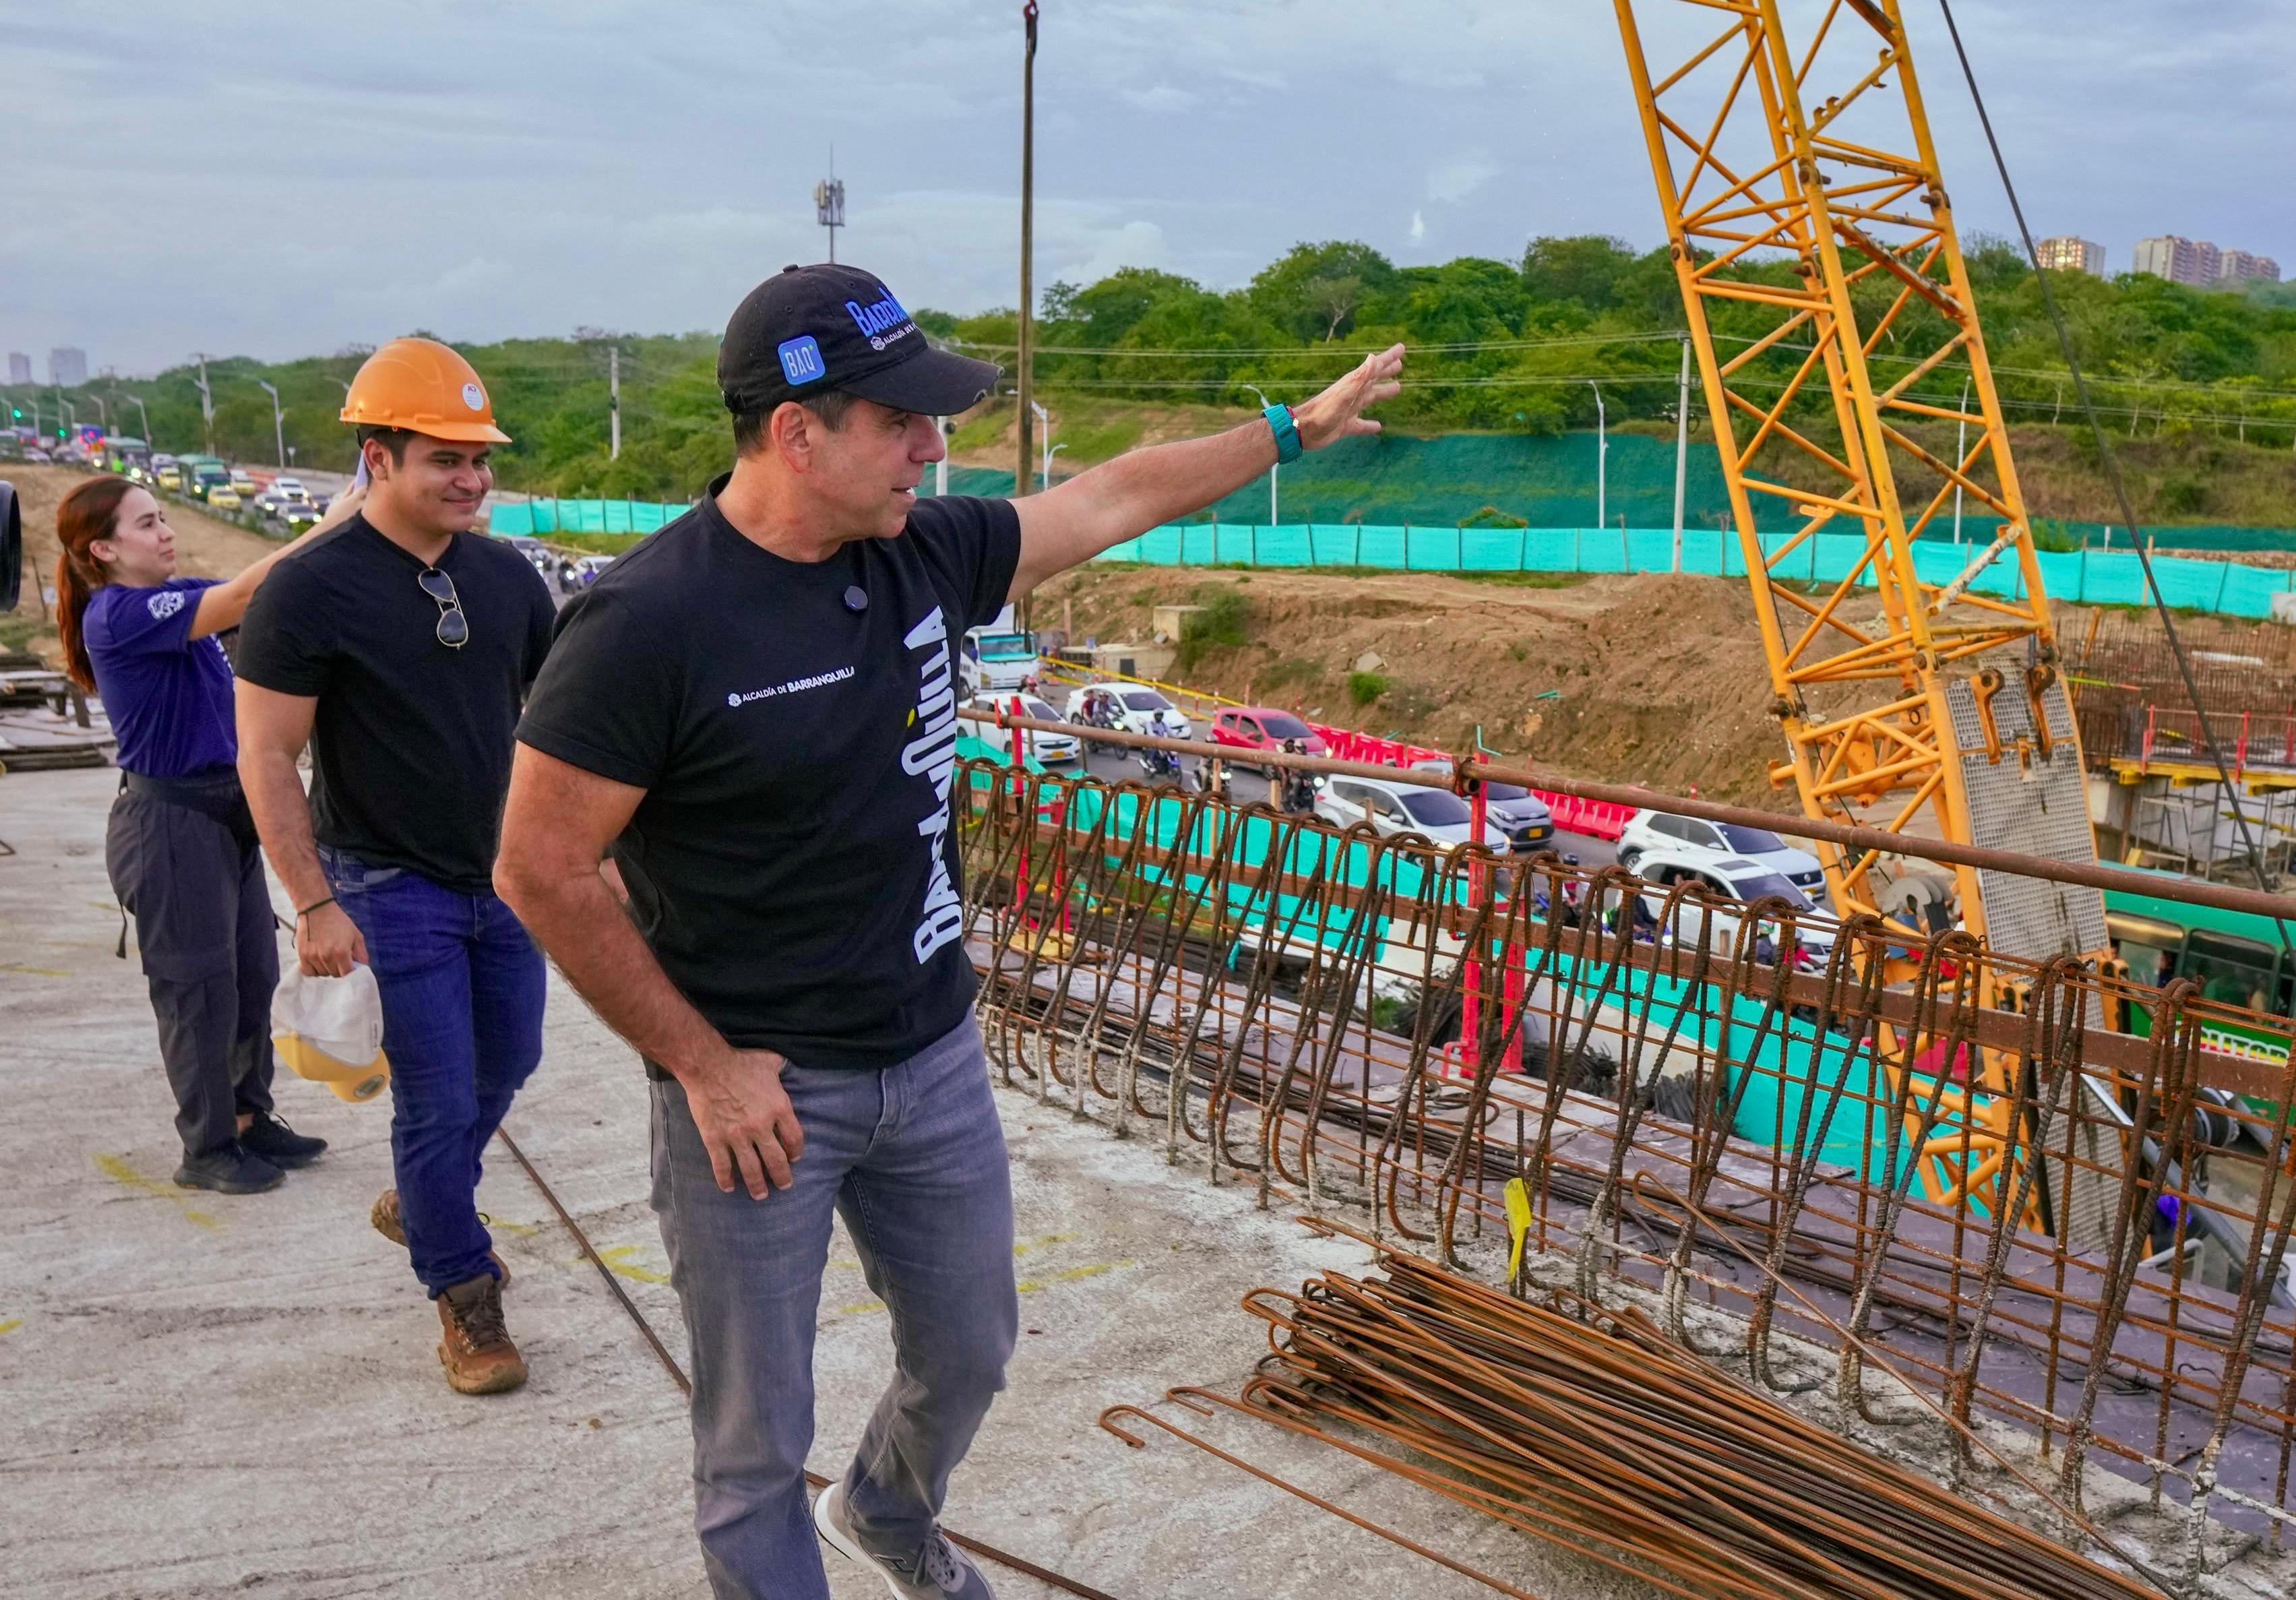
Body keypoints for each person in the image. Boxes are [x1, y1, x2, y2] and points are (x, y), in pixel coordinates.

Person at [495, 261, 1401, 1600]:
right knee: (754, 1441)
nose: (936, 442)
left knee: (970, 1346)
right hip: (757, 1092)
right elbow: (541, 865)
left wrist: (1289, 430)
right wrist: (701, 1063)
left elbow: (1114, 492)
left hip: (927, 1057)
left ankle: (891, 1506)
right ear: (797, 433)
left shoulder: (920, 548)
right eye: (902, 420)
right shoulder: (650, 622)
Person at [232, 338, 558, 1396]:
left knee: (508, 1061)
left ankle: (425, 1201)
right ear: (377, 457)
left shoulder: (508, 578)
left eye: (479, 458)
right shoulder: (309, 590)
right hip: (384, 885)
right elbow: (268, 754)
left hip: (501, 879)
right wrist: (314, 902)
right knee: (433, 1098)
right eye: (441, 458)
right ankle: (466, 1301)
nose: (469, 478)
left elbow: (561, 725)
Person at [56, 475, 338, 1192]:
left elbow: (260, 591)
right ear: (104, 549)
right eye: (148, 523)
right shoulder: (119, 613)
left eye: (163, 519)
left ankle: (248, 1117)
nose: (166, 532)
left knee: (250, 977)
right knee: (196, 991)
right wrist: (340, 517)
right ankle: (206, 1147)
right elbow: (247, 594)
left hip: (227, 812)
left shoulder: (177, 602)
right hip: (172, 822)